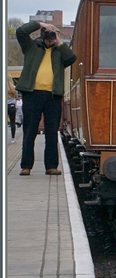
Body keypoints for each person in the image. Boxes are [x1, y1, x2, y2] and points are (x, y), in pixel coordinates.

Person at [15, 20, 76, 175]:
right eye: (48, 34)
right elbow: (21, 32)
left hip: (53, 96)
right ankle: (26, 166)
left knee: (51, 132)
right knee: (30, 131)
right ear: (42, 34)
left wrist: (59, 42)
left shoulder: (59, 51)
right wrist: (39, 24)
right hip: (32, 94)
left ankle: (51, 166)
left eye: (52, 34)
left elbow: (71, 59)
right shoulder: (31, 46)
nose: (50, 38)